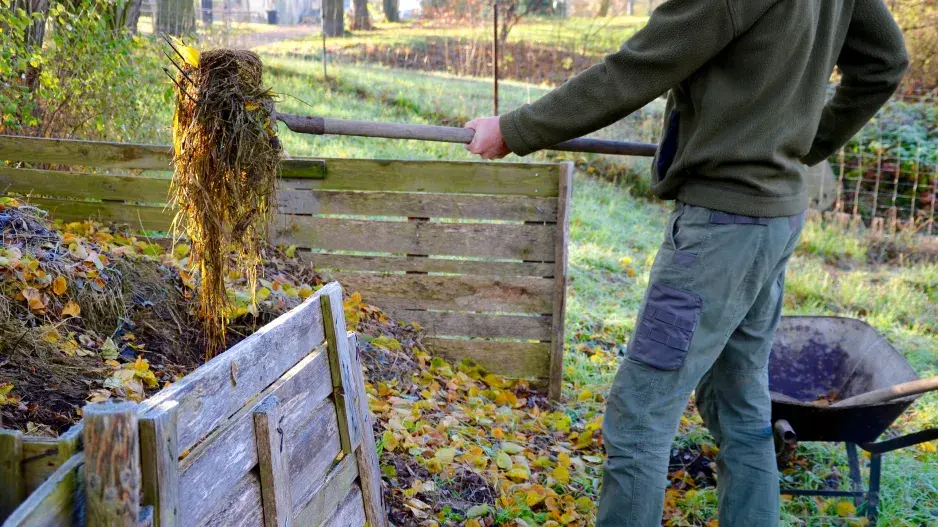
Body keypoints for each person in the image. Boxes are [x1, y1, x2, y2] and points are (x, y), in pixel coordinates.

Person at [462, 0, 908, 525]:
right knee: (741, 408)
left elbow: (637, 68)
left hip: (721, 230)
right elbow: (885, 61)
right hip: (775, 218)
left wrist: (515, 129)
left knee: (639, 420)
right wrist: (803, 145)